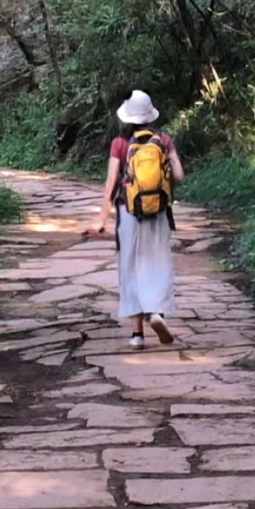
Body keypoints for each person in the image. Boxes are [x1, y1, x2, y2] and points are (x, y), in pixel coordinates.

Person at [92, 88, 184, 348]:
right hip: (159, 212)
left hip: (129, 212)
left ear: (127, 116)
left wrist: (102, 219)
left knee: (130, 267)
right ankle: (156, 312)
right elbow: (179, 175)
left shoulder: (120, 144)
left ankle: (136, 335)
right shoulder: (163, 140)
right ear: (150, 115)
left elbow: (111, 184)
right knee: (157, 263)